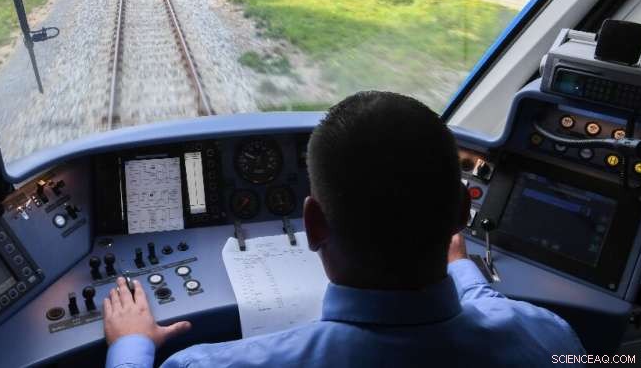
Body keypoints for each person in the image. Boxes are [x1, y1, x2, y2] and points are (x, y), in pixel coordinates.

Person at [102, 91, 586, 367]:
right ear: (462, 212)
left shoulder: (202, 366)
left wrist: (132, 342)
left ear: (314, 226)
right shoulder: (553, 340)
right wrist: (462, 271)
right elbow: (497, 315)